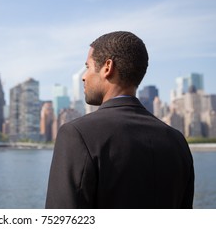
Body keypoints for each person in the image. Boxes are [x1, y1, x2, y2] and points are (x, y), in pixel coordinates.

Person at [45, 31, 194, 208]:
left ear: (107, 67)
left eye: (88, 66)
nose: (84, 76)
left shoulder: (77, 134)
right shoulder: (177, 141)